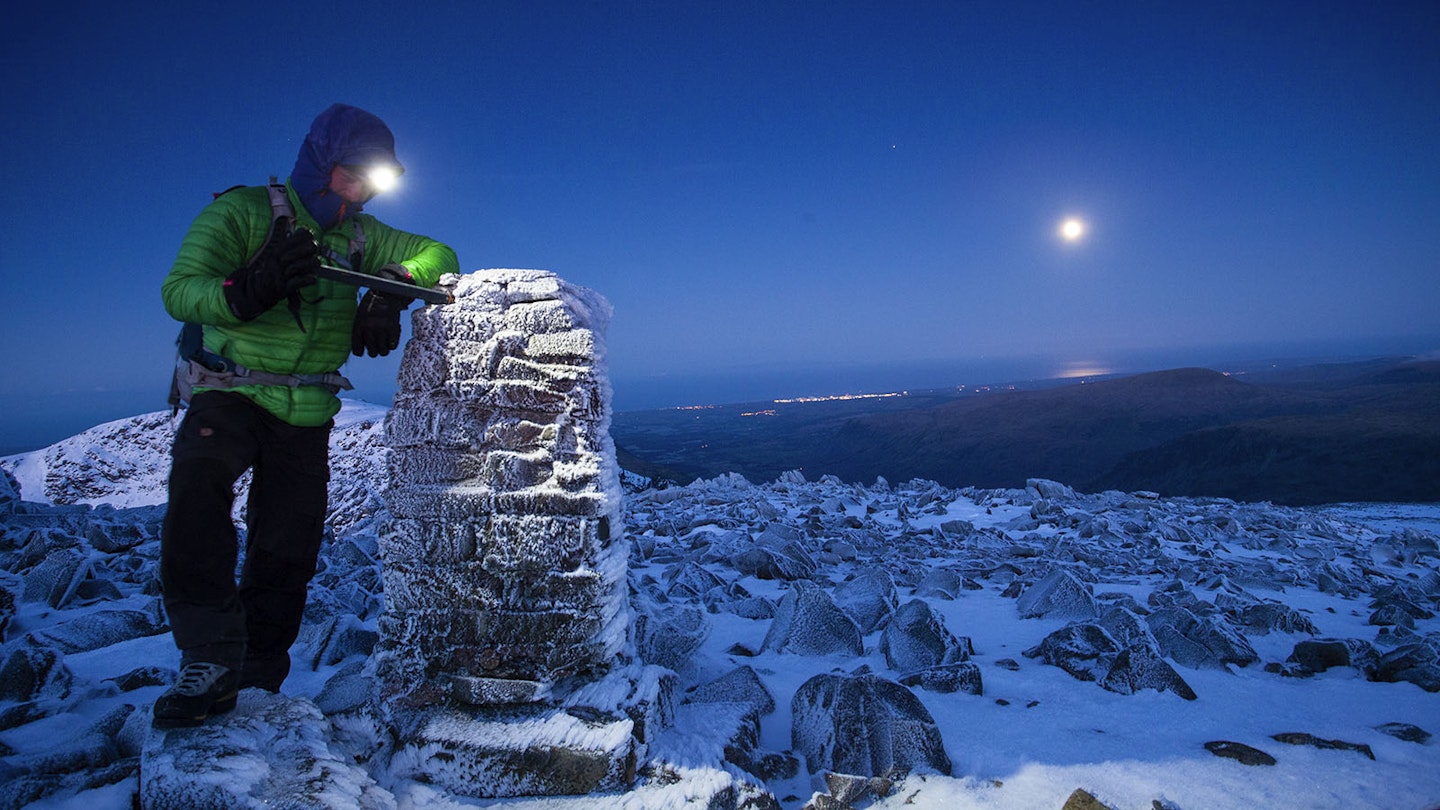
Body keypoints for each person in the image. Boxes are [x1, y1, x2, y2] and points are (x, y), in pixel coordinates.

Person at [153, 104, 458, 728]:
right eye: (356, 174)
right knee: (197, 489)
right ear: (322, 165)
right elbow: (179, 289)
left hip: (310, 406)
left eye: (377, 178)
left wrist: (391, 285)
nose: (366, 189)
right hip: (230, 390)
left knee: (289, 541)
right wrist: (245, 290)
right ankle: (206, 657)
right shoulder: (242, 213)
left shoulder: (362, 237)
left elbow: (439, 251)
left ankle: (257, 674)